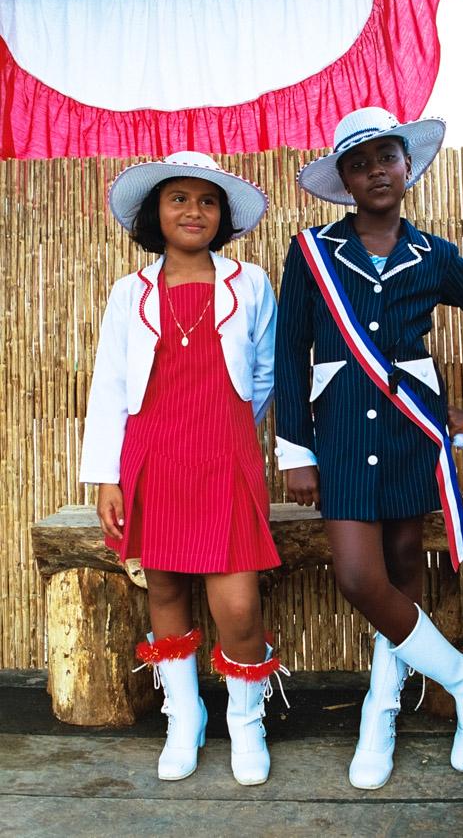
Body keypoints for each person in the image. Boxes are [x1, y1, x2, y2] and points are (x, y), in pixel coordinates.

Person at [274, 107, 463, 790]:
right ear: (345, 181)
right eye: (360, 163)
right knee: (359, 577)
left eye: (387, 157)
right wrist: (294, 449)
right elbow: (291, 350)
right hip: (345, 433)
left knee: (404, 561)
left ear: (407, 167)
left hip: (413, 433)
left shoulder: (436, 255)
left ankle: (380, 713)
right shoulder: (313, 253)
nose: (376, 171)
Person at [80, 151, 287, 786]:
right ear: (155, 214)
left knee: (239, 606)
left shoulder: (249, 285)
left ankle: (245, 723)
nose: (193, 211)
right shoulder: (129, 293)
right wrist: (108, 474)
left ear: (222, 216)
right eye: (179, 199)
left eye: (207, 201)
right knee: (165, 586)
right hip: (152, 454)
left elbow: (265, 374)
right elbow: (111, 386)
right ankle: (185, 716)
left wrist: (229, 434)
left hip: (223, 456)